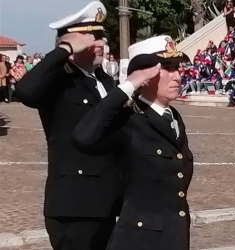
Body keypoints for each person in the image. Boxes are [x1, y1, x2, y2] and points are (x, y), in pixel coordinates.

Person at [15, 2, 159, 250]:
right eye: (91, 38)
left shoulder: (104, 80)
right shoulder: (60, 80)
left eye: (101, 36)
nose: (100, 43)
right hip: (76, 205)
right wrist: (64, 49)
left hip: (111, 200)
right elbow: (26, 92)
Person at [71, 35, 194, 250]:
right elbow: (83, 137)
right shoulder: (128, 119)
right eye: (167, 68)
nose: (177, 76)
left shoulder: (173, 116)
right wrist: (128, 85)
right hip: (139, 240)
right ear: (145, 75)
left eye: (177, 68)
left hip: (173, 236)